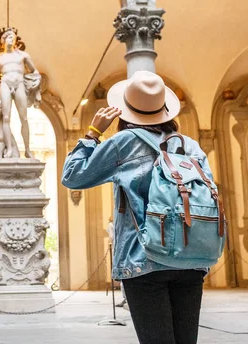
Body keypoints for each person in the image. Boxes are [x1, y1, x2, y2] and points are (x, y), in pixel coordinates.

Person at [62, 71, 209, 344]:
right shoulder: (190, 146)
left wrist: (93, 133)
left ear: (126, 112)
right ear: (165, 110)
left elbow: (72, 176)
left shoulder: (124, 144)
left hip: (143, 260)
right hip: (192, 258)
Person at [0, 28, 41, 159]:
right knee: (6, 118)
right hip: (5, 84)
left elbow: (35, 72)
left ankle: (28, 150)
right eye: (8, 37)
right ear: (3, 40)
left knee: (24, 118)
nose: (11, 39)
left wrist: (37, 85)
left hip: (19, 84)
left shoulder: (23, 55)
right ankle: (10, 150)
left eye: (13, 37)